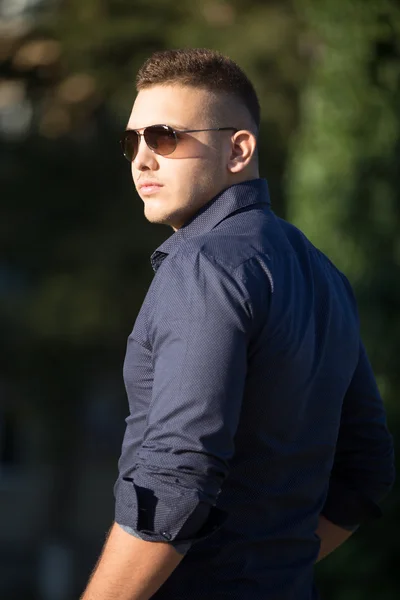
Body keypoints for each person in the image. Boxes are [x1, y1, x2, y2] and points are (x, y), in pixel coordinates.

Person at [81, 48, 395, 600]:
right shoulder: (324, 275)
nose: (142, 160)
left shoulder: (203, 266)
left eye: (164, 137)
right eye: (133, 142)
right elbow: (365, 474)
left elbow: (175, 479)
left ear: (238, 150)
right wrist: (263, 570)